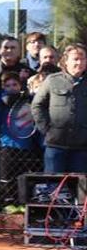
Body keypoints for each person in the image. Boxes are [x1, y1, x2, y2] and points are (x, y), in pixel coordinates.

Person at [32, 43, 87, 173]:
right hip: (55, 144)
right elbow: (37, 105)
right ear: (66, 61)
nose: (79, 62)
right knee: (54, 186)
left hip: (82, 146)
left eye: (83, 59)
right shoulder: (52, 80)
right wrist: (46, 129)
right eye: (75, 59)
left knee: (80, 188)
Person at [0, 72, 36, 213]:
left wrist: (26, 95)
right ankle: (8, 202)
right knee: (7, 176)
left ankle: (23, 203)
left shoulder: (28, 100)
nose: (11, 87)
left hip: (26, 145)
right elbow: (5, 101)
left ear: (20, 86)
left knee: (23, 175)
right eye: (7, 85)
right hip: (7, 144)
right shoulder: (1, 101)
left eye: (15, 84)